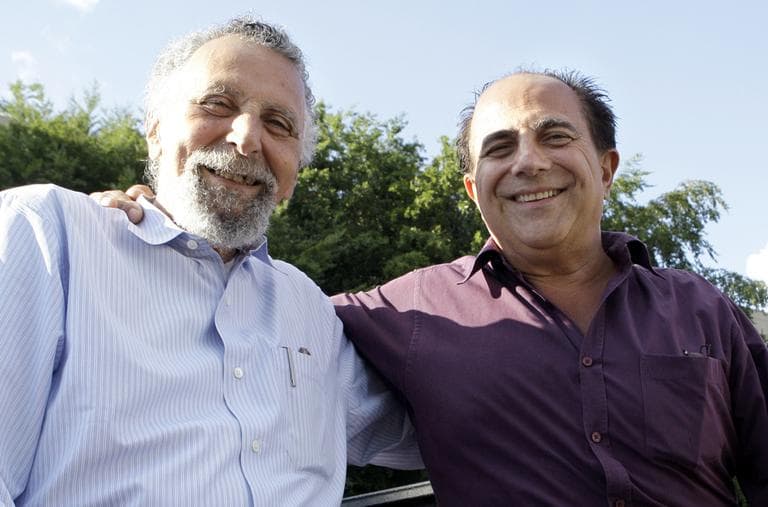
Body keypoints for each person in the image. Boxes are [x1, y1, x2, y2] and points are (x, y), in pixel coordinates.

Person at [97, 70, 768, 505]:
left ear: (606, 165)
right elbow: (245, 309)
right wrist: (168, 223)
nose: (528, 162)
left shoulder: (703, 309)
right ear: (475, 188)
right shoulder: (410, 311)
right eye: (499, 148)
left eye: (554, 137)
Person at [0, 17, 420, 506]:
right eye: (217, 104)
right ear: (155, 130)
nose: (246, 138)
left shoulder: (310, 310)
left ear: (294, 175)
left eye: (279, 124)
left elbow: (449, 428)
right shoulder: (47, 232)